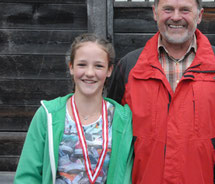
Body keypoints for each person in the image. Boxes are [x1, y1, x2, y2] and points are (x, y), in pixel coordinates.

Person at [107, 0, 215, 184]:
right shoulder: (129, 68)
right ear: (155, 12)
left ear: (200, 15)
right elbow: (113, 138)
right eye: (168, 9)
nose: (176, 17)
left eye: (185, 10)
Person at [14, 34, 133, 184]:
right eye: (82, 64)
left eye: (99, 66)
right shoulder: (47, 115)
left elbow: (127, 175)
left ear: (109, 70)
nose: (89, 73)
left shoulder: (122, 119)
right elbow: (27, 176)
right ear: (71, 67)